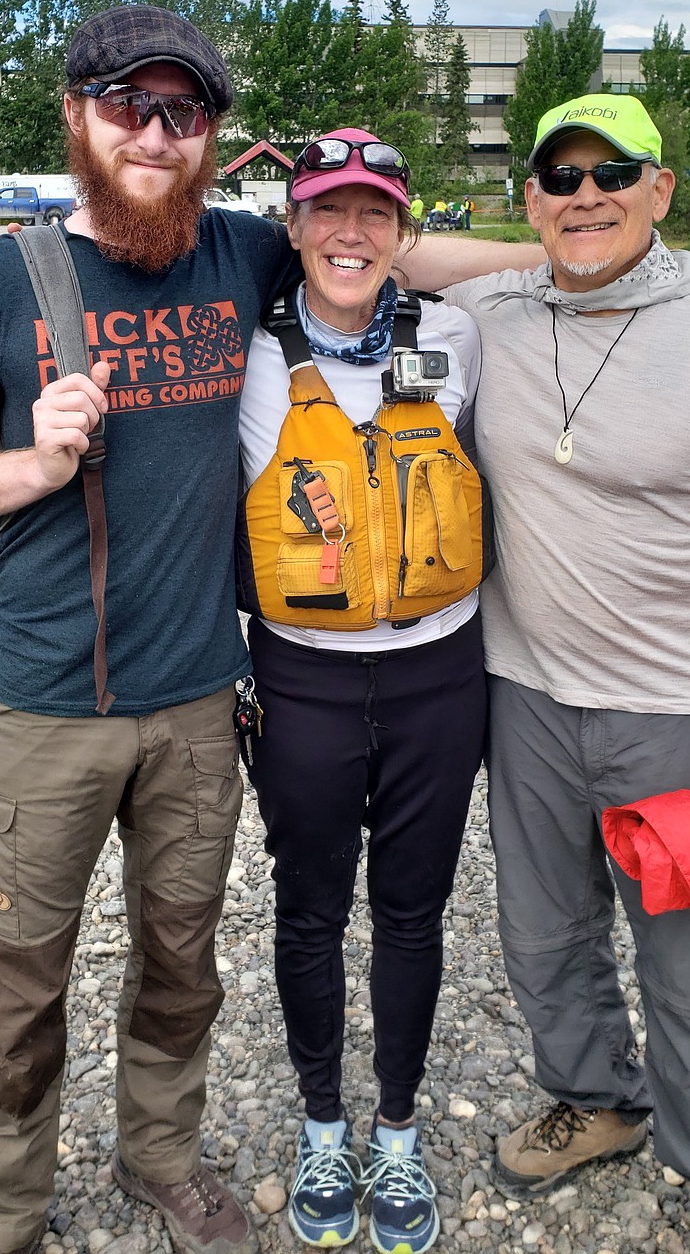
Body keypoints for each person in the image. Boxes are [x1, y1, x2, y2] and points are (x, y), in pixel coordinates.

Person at [0, 4, 538, 1254]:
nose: (155, 131)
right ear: (76, 117)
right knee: (25, 988)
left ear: (210, 137)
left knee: (182, 966)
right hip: (44, 705)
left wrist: (572, 255)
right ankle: (6, 1215)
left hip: (198, 700)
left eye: (183, 112)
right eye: (129, 105)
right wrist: (32, 464)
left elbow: (377, 253)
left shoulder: (240, 256)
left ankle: (162, 1163)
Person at [445, 94, 690, 1254]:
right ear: (529, 201)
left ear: (664, 189)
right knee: (544, 940)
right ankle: (598, 1101)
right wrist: (559, 246)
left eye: (617, 174)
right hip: (523, 700)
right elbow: (384, 247)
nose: (588, 192)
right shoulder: (488, 312)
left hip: (677, 717)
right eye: (561, 178)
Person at [237, 130, 486, 1252]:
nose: (351, 233)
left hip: (442, 674)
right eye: (328, 213)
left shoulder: (462, 338)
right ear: (291, 228)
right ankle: (321, 1122)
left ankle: (394, 1133)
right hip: (301, 683)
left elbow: (556, 272)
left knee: (413, 911)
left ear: (403, 231)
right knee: (310, 909)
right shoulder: (239, 356)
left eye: (375, 214)